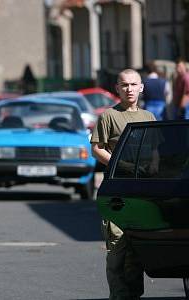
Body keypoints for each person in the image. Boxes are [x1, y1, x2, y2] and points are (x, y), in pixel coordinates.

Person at [91, 69, 157, 300]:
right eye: (124, 85)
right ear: (117, 88)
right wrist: (121, 165)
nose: (129, 89)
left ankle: (134, 295)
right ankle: (119, 296)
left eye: (133, 84)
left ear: (141, 87)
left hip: (143, 193)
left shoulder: (149, 117)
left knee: (138, 248)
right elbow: (97, 148)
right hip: (118, 192)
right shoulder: (109, 116)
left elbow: (156, 151)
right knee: (117, 249)